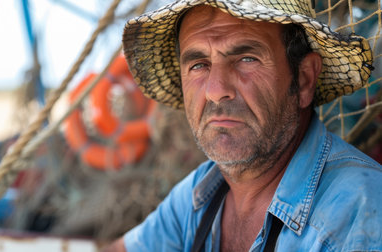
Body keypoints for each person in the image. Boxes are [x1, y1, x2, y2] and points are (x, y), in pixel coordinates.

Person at [104, 0, 381, 251]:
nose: (216, 90)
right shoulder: (201, 193)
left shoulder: (361, 213)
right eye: (199, 65)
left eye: (247, 59)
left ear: (305, 79)